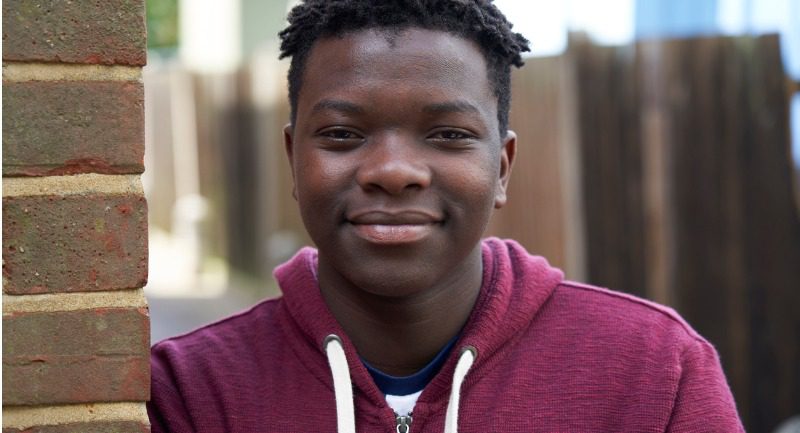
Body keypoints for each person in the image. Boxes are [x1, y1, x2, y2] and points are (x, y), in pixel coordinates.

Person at [147, 1, 744, 432]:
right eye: (341, 133)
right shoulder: (190, 393)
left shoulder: (655, 371)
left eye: (449, 134)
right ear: (293, 160)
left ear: (502, 167)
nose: (393, 170)